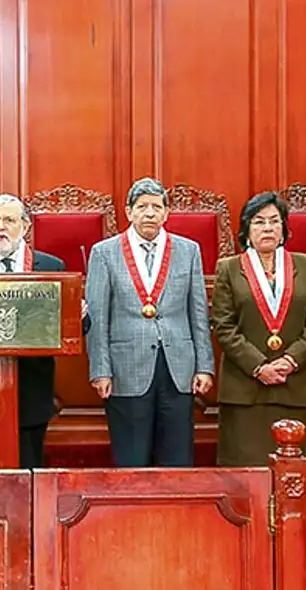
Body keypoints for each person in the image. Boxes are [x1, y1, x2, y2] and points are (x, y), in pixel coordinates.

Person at [85, 177, 214, 467]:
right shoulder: (104, 253)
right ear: (129, 212)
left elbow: (198, 312)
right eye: (142, 206)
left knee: (177, 459)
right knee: (131, 459)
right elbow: (98, 318)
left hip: (178, 367)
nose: (150, 213)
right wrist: (100, 370)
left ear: (166, 213)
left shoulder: (188, 250)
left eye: (156, 207)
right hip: (125, 369)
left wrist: (204, 366)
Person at [0, 194, 80, 469]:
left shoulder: (50, 267)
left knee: (27, 470)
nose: (0, 227)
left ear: (26, 226)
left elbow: (67, 328)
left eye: (9, 220)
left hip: (30, 389)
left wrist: (80, 315)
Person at [211, 192, 306, 465]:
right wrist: (259, 366)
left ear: (284, 228)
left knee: (289, 471)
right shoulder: (229, 269)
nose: (267, 228)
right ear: (246, 229)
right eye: (259, 221)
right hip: (245, 391)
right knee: (245, 474)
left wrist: (291, 360)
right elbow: (224, 326)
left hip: (293, 386)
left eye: (274, 221)